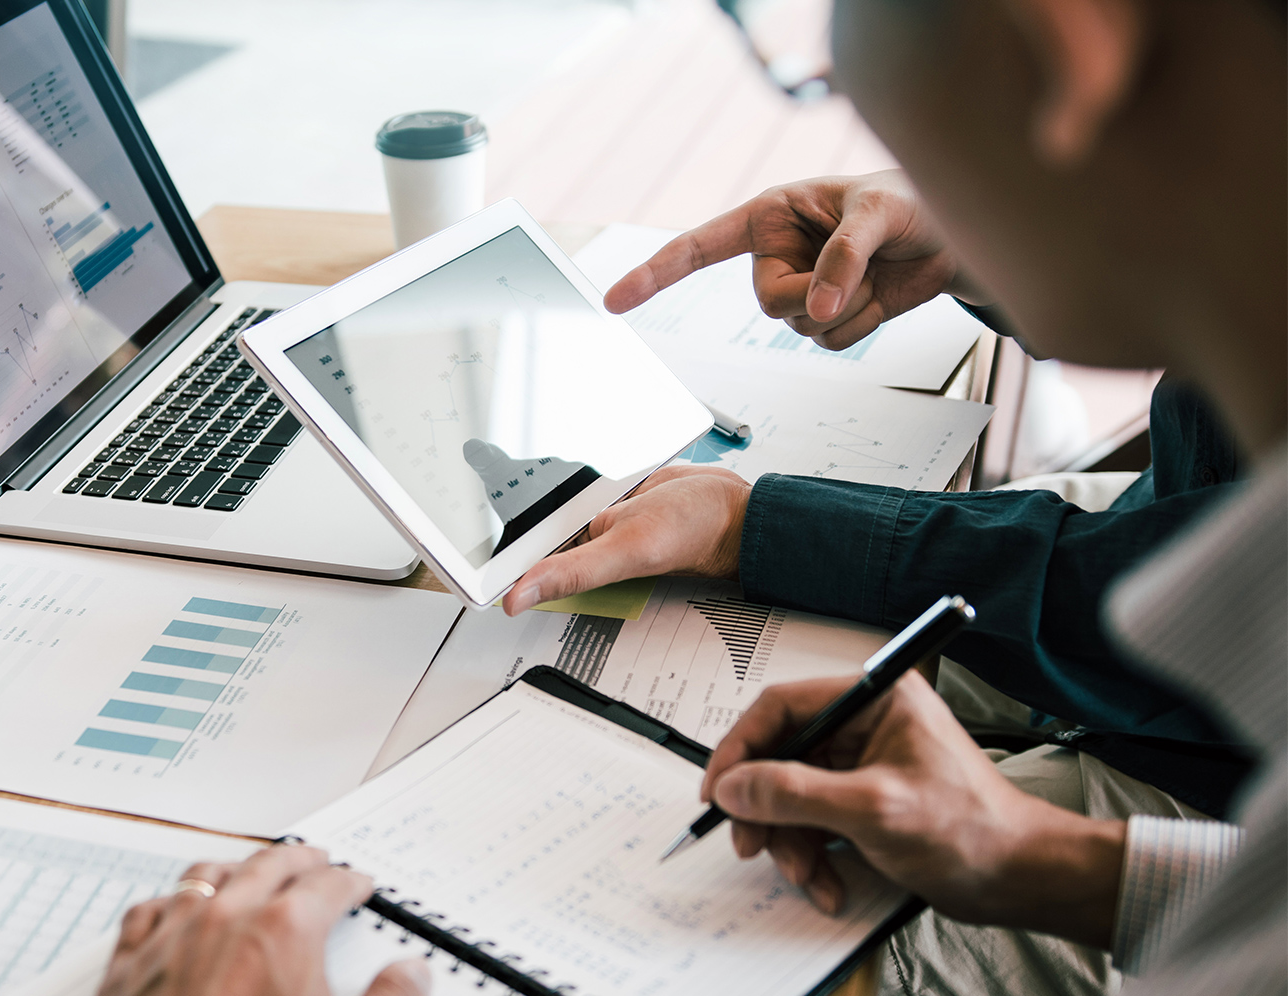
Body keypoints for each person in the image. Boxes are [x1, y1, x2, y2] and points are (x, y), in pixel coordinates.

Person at [95, 0, 1285, 992]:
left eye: (805, 54)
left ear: (1057, 45)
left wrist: (753, 521)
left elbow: (1143, 610)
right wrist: (1032, 859)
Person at [503, 168, 1253, 820]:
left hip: (1226, 785)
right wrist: (969, 248)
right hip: (1164, 511)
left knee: (798, 899)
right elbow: (1217, 300)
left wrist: (748, 525)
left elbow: (1190, 595)